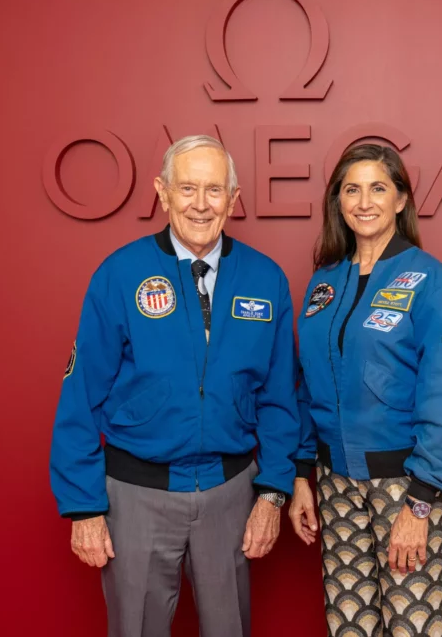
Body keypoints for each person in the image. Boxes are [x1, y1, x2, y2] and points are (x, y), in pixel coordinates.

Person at [49, 135, 300, 637]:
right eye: (188, 188)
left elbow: (280, 397)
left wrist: (273, 493)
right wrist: (83, 507)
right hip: (136, 493)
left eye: (214, 190)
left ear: (233, 199)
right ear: (163, 193)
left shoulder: (265, 279)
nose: (201, 204)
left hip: (231, 493)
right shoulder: (120, 274)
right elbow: (81, 394)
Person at [288, 143, 442, 636]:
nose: (364, 201)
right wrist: (300, 475)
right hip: (336, 486)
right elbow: (306, 383)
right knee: (349, 626)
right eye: (351, 189)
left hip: (407, 485)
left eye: (378, 187)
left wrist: (421, 502)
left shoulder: (430, 280)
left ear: (401, 200)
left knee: (414, 628)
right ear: (338, 202)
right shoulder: (324, 282)